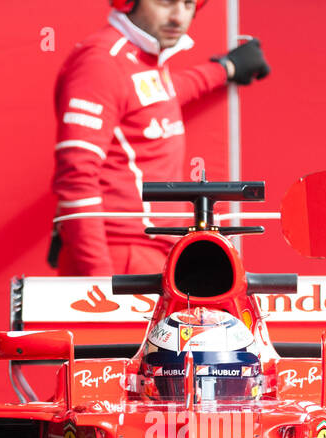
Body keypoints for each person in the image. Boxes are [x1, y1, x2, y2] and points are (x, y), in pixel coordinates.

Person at [51, 0, 269, 276]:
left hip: (151, 255)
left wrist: (225, 68)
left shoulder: (141, 58)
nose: (179, 17)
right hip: (118, 259)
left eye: (189, 4)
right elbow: (75, 174)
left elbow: (158, 96)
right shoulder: (101, 62)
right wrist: (100, 282)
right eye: (166, 2)